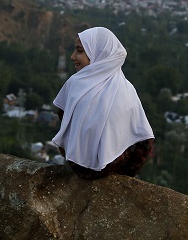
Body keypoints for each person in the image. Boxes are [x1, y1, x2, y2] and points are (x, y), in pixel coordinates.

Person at [52, 27, 155, 180]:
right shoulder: (127, 90)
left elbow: (64, 122)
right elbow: (143, 143)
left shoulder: (75, 84)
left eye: (79, 51)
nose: (73, 56)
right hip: (114, 171)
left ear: (99, 54)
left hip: (77, 166)